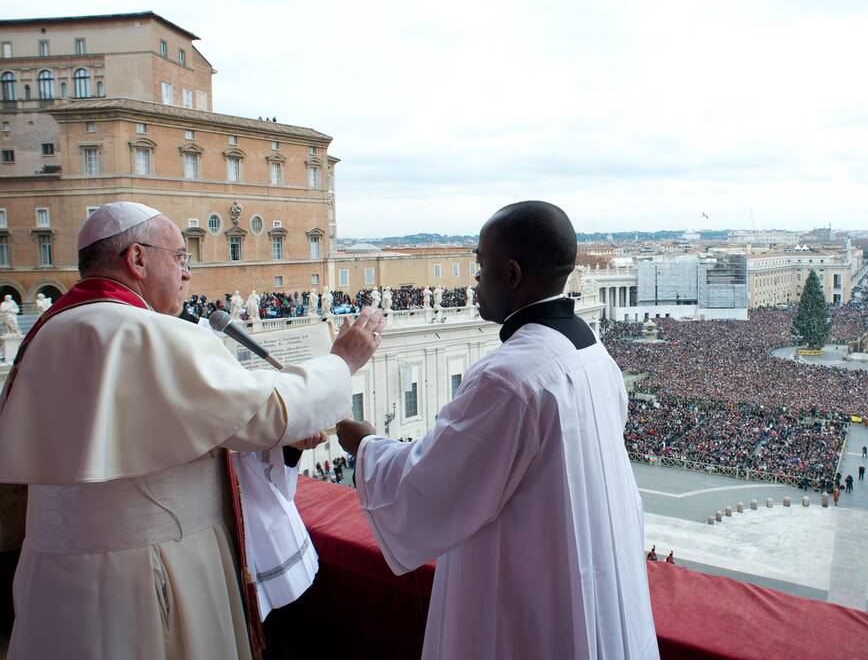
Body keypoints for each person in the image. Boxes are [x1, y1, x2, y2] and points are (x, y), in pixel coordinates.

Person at [0, 202, 385, 660]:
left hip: (53, 576)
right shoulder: (145, 332)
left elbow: (180, 437)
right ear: (137, 259)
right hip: (143, 575)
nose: (187, 274)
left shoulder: (48, 331)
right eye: (180, 257)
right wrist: (344, 361)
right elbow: (264, 412)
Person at [337, 201, 659, 660]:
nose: (474, 281)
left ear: (511, 274)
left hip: (530, 605)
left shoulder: (508, 377)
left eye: (480, 266)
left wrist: (366, 444)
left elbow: (431, 487)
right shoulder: (593, 353)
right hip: (591, 582)